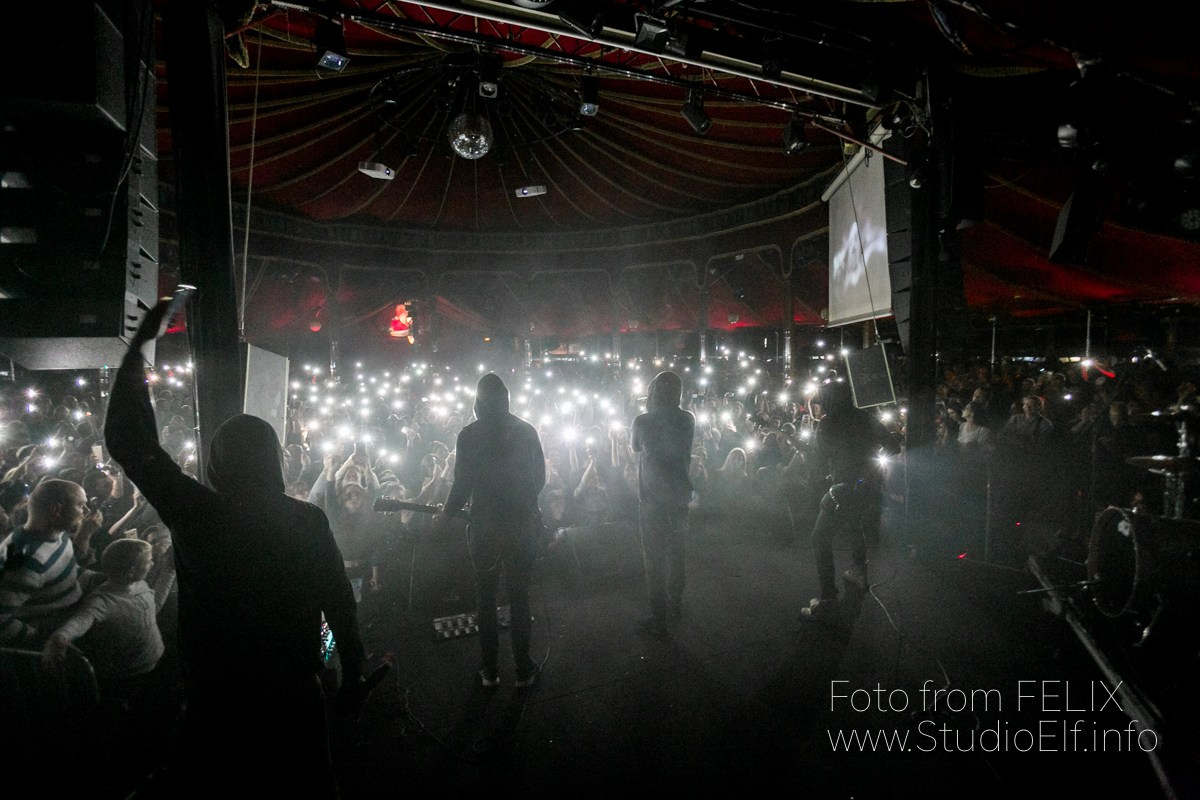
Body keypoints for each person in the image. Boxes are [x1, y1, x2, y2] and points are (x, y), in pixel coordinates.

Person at [104, 301, 368, 798]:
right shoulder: (305, 519)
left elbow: (126, 437)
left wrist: (139, 349)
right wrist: (351, 674)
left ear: (217, 464)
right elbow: (339, 602)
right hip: (293, 695)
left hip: (216, 699)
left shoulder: (197, 512)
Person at [434, 373, 546, 689]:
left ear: (478, 403)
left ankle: (489, 670)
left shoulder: (468, 435)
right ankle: (523, 669)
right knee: (519, 596)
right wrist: (524, 502)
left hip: (484, 527)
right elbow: (540, 476)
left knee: (486, 598)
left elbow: (462, 483)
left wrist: (447, 514)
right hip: (521, 525)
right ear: (507, 398)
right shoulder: (526, 430)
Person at [801, 380, 894, 619]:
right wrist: (869, 468)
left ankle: (828, 598)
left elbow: (818, 463)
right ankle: (859, 571)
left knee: (819, 538)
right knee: (854, 525)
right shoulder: (866, 418)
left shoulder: (828, 424)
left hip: (842, 489)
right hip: (866, 489)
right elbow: (893, 446)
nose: (821, 407)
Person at [630, 371, 695, 638]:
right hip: (679, 496)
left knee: (654, 561)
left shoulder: (643, 421)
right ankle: (675, 605)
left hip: (653, 500)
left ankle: (659, 620)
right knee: (677, 554)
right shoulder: (687, 419)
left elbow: (635, 448)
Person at [0, 479, 92, 645]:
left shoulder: (57, 533)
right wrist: (42, 640)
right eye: (81, 505)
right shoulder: (24, 563)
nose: (86, 511)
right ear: (57, 510)